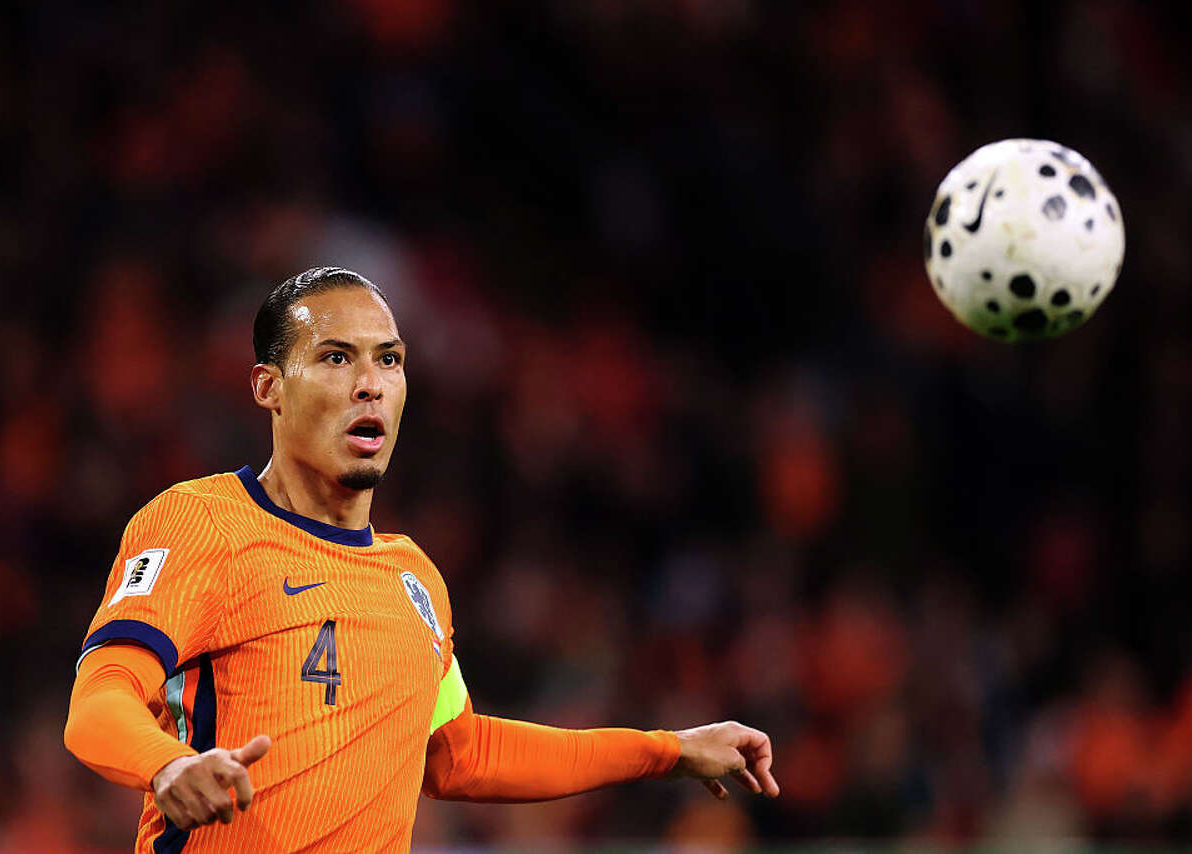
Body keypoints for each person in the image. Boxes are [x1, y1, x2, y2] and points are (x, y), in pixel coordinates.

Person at [64, 267, 779, 853]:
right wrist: (169, 764)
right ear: (268, 388)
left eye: (390, 360)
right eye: (336, 357)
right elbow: (100, 698)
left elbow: (461, 753)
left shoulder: (416, 580)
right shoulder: (203, 522)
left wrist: (668, 751)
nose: (369, 382)